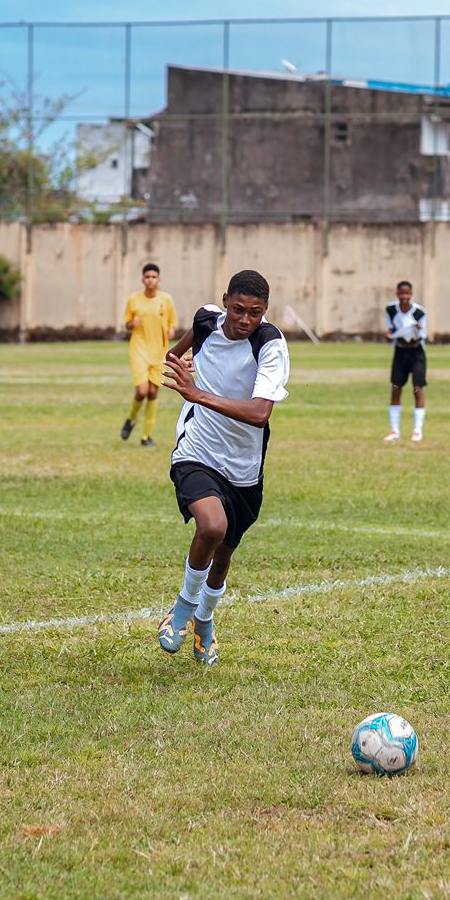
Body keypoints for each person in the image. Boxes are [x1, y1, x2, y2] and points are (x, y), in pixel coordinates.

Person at [155, 270, 289, 666]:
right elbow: (174, 354)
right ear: (225, 299)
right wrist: (180, 367)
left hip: (244, 465)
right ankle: (182, 607)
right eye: (238, 309)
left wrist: (198, 392)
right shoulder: (204, 321)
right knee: (212, 526)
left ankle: (205, 622)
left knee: (225, 553)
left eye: (255, 312)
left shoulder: (270, 343)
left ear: (265, 311)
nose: (245, 319)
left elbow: (260, 412)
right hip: (198, 450)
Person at [120, 263, 178, 447]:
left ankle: (146, 436)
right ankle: (131, 418)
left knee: (153, 392)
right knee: (142, 390)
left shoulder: (166, 299)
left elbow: (172, 322)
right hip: (138, 350)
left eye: (154, 277)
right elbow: (126, 323)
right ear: (142, 279)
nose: (150, 280)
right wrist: (132, 323)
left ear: (158, 280)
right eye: (147, 277)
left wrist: (171, 330)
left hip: (159, 351)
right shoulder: (133, 299)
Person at [381, 280, 428, 442]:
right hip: (400, 352)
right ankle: (394, 430)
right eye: (401, 293)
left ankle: (417, 431)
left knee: (417, 389)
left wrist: (417, 329)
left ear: (411, 294)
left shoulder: (419, 312)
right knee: (396, 388)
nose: (404, 297)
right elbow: (390, 331)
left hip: (416, 353)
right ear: (397, 294)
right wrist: (389, 336)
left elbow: (422, 335)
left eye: (407, 294)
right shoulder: (390, 309)